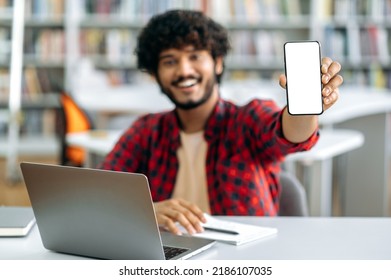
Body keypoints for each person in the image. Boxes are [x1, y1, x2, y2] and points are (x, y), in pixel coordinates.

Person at [100, 10, 343, 235]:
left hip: (247, 262)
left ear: (217, 63)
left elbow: (290, 135)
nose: (184, 70)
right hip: (170, 259)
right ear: (155, 75)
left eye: (195, 56)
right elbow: (100, 194)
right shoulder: (146, 131)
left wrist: (305, 107)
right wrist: (147, 211)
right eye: (170, 61)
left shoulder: (248, 119)